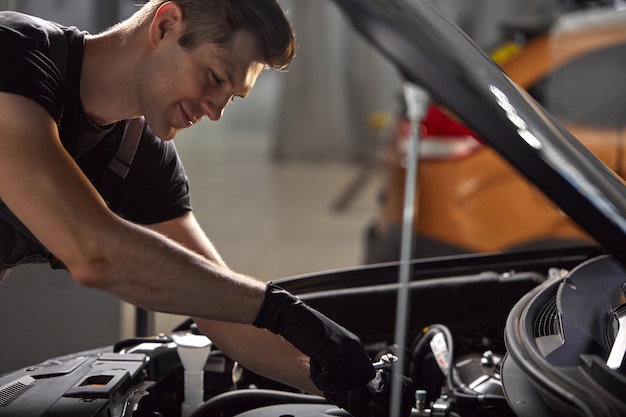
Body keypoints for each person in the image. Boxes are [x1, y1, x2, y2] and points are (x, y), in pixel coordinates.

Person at [0, 1, 415, 416]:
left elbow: (222, 314)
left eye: (231, 97)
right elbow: (94, 252)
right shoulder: (16, 56)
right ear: (165, 25)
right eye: (215, 77)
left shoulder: (140, 159)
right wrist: (278, 308)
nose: (215, 111)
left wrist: (344, 382)